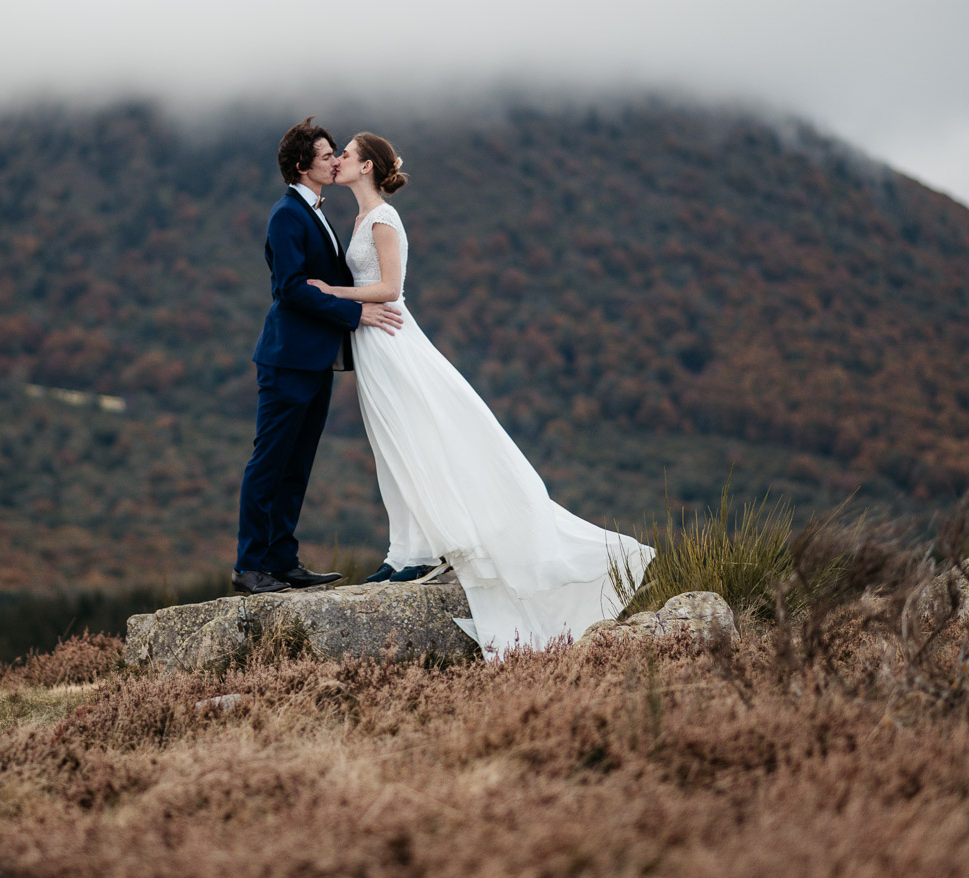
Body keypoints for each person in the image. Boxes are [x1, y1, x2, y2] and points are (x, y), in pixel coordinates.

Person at [308, 131, 654, 652]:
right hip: (371, 343)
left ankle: (423, 553)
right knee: (391, 447)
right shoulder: (358, 219)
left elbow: (391, 289)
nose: (338, 160)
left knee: (414, 441)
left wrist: (332, 292)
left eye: (347, 155)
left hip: (392, 340)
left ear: (368, 167)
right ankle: (403, 551)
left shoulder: (382, 219)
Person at [234, 118, 403, 595]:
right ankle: (249, 565)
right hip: (288, 358)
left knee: (297, 464)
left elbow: (326, 282)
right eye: (327, 155)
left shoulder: (315, 212)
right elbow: (290, 289)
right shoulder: (287, 214)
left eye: (335, 154)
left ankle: (282, 560)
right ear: (300, 165)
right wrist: (356, 314)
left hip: (315, 359)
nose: (334, 161)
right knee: (269, 462)